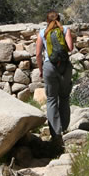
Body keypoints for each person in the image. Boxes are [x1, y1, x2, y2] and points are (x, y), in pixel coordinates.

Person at [35, 10, 75, 144]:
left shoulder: (42, 33)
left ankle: (56, 134)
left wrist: (41, 70)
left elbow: (38, 55)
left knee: (51, 99)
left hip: (49, 67)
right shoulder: (65, 30)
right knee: (64, 97)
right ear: (60, 19)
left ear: (46, 20)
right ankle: (64, 129)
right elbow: (70, 48)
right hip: (64, 67)